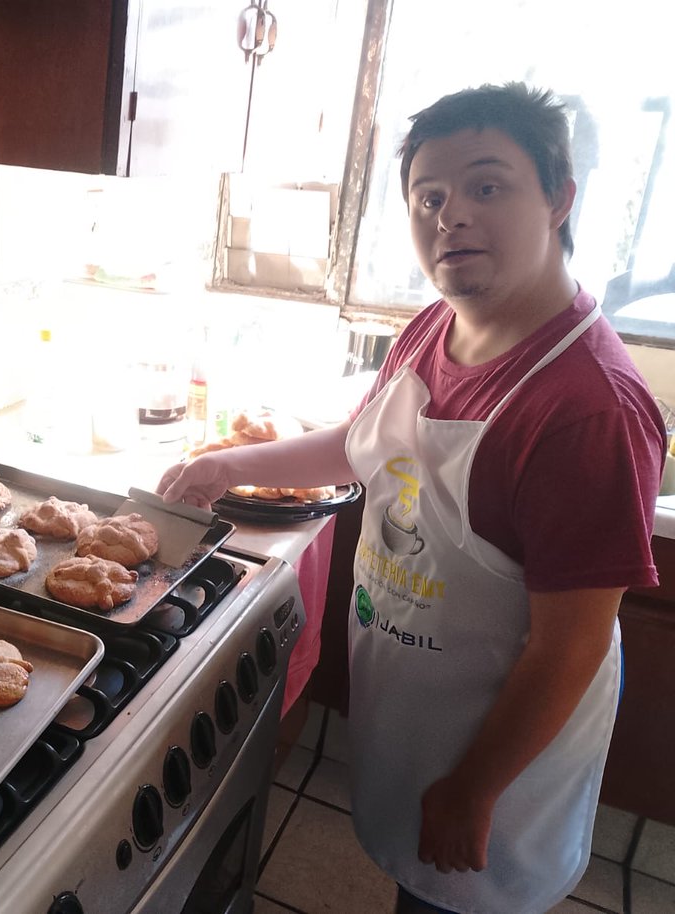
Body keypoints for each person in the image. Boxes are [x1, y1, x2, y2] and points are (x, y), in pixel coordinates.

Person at [158, 83, 667, 914]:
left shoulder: (587, 408)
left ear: (559, 198)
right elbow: (360, 449)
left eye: (487, 186)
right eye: (429, 196)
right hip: (418, 711)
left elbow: (567, 649)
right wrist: (234, 464)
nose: (450, 215)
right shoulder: (437, 325)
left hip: (498, 767)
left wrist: (473, 789)